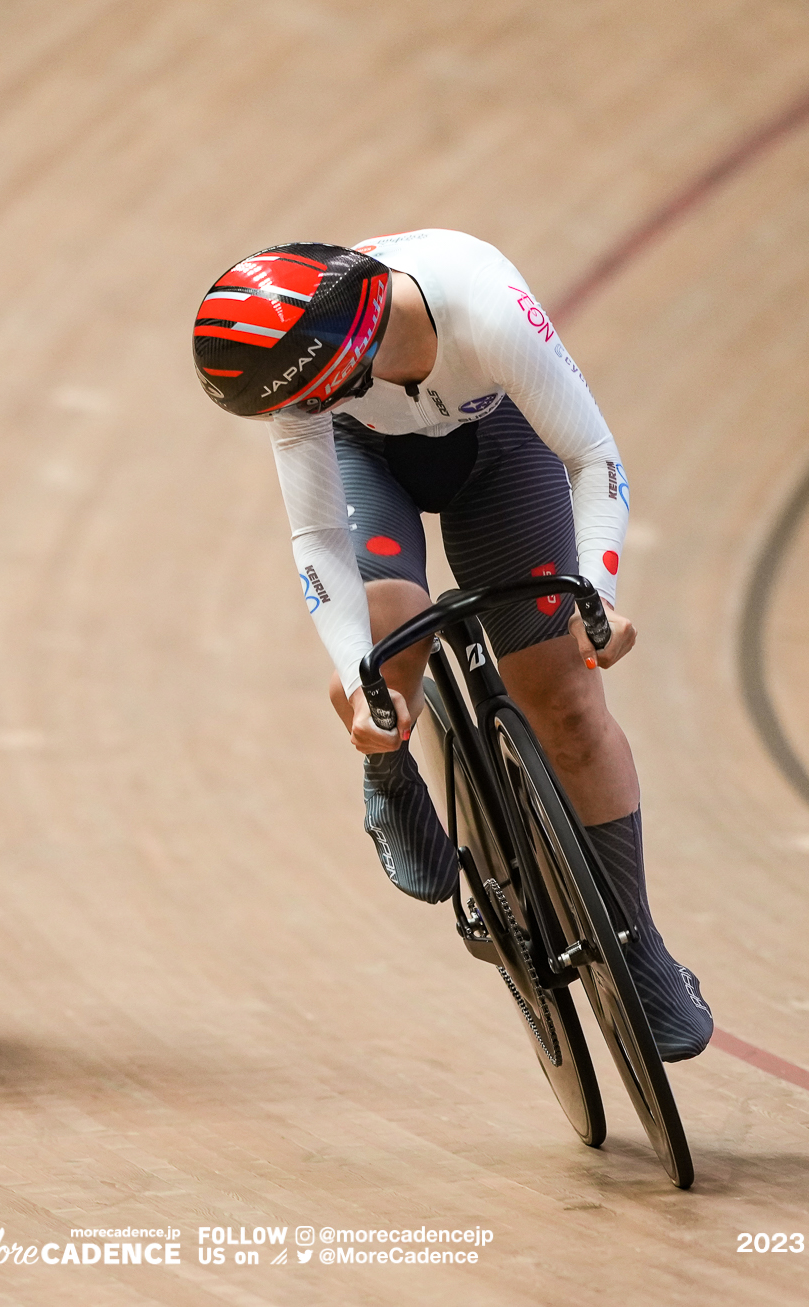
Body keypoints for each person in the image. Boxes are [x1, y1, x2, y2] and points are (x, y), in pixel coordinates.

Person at [191, 231, 711, 1059]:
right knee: (389, 635)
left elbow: (591, 457)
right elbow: (318, 533)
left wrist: (598, 594)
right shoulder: (299, 380)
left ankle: (639, 943)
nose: (293, 419)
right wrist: (360, 676)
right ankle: (386, 762)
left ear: (335, 366)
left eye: (302, 403)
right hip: (374, 466)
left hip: (502, 451)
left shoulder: (485, 307)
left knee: (567, 701)